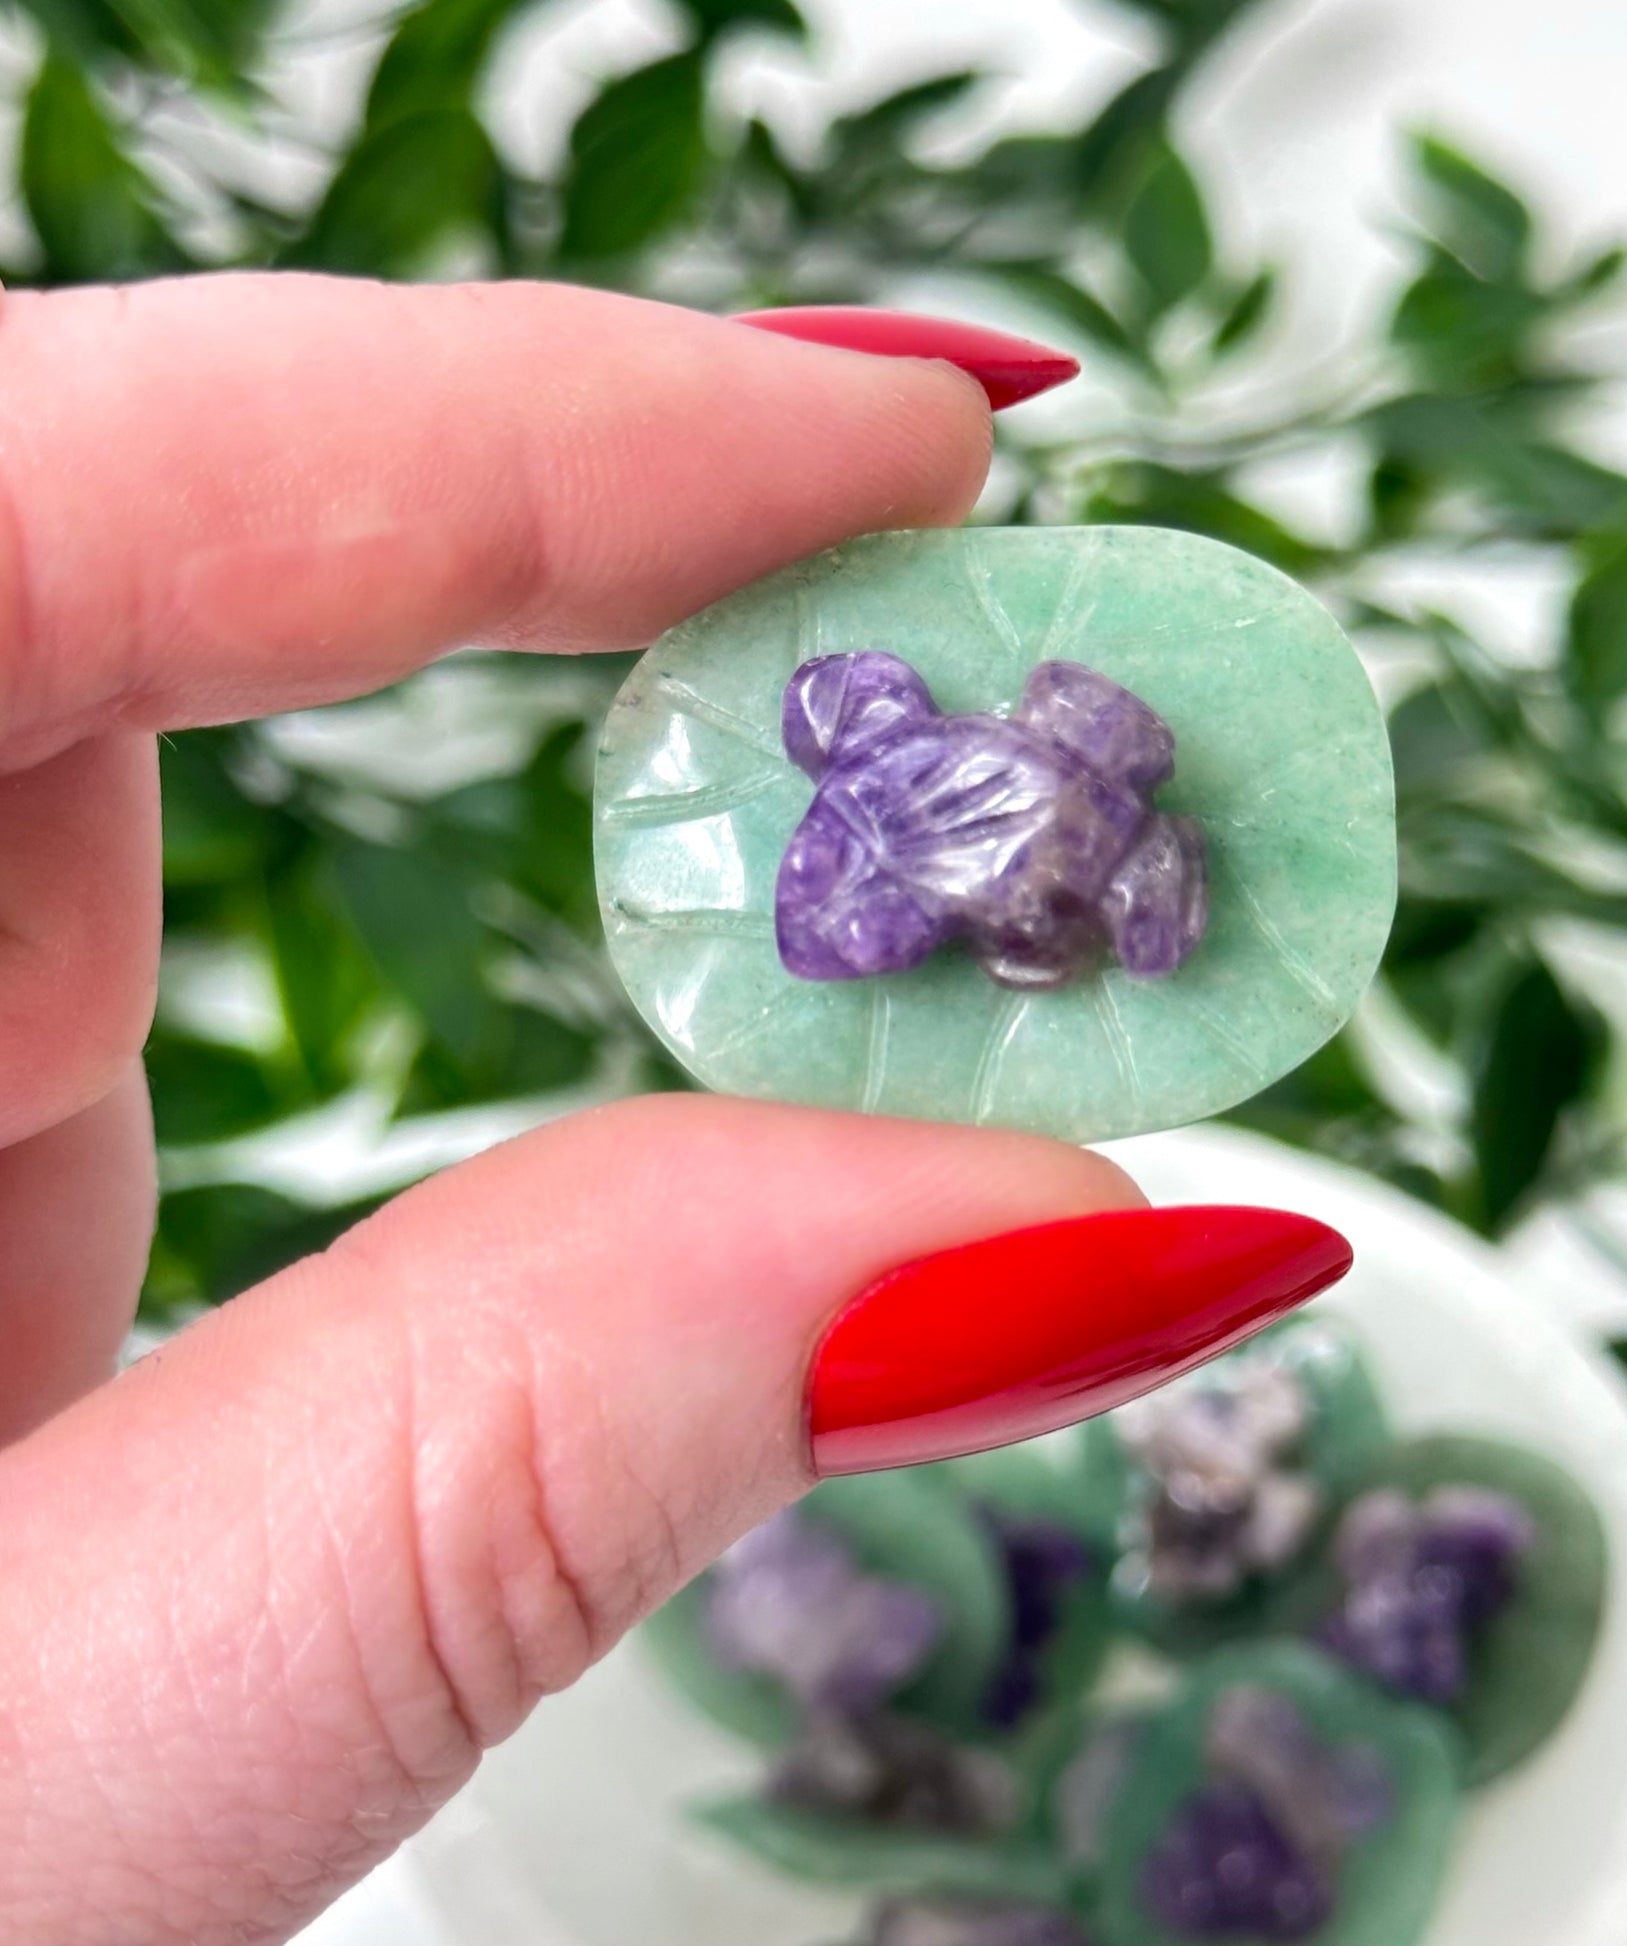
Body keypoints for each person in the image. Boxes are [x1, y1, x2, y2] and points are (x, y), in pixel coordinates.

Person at [0, 276, 1341, 1943]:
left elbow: (860, 924)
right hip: (1027, 896)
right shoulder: (881, 852)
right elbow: (849, 932)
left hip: (1034, 895)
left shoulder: (890, 830)